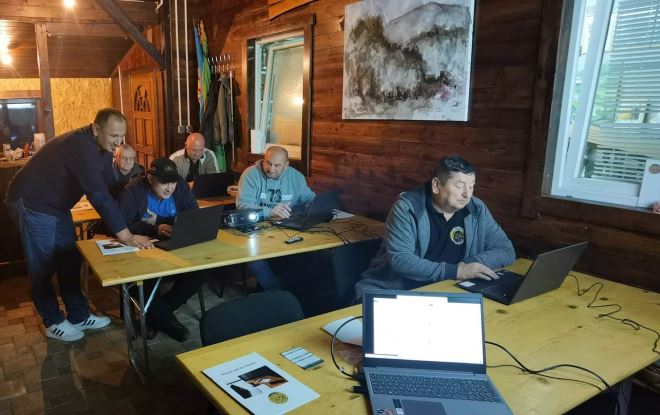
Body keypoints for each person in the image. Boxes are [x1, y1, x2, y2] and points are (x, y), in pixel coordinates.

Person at [4, 108, 154, 342]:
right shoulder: (81, 146)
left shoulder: (102, 148)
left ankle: (79, 315)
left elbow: (110, 188)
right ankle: (53, 322)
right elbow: (98, 195)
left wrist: (133, 210)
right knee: (42, 266)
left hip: (57, 206)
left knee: (69, 260)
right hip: (32, 202)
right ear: (96, 129)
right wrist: (125, 235)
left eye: (122, 136)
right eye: (114, 136)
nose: (119, 142)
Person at [355, 155, 516, 300]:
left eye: (471, 186)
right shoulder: (407, 208)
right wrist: (457, 272)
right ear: (436, 185)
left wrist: (468, 264)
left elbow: (506, 250)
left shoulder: (476, 209)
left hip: (447, 291)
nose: (467, 194)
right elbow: (401, 260)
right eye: (460, 186)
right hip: (394, 292)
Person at [118, 157, 206, 341]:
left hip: (174, 244)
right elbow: (121, 224)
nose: (170, 188)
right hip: (143, 248)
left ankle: (156, 317)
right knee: (145, 277)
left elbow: (194, 215)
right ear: (150, 178)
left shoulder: (181, 187)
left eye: (173, 182)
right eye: (164, 182)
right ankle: (166, 321)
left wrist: (170, 225)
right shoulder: (133, 190)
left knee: (202, 270)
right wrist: (154, 228)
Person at [236, 146, 315, 290]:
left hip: (285, 230)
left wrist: (318, 206)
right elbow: (242, 205)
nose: (271, 169)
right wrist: (270, 211)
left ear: (286, 165)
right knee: (255, 260)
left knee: (307, 255)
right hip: (255, 231)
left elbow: (310, 199)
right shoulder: (250, 174)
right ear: (263, 160)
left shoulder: (296, 177)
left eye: (277, 165)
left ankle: (288, 292)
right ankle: (277, 294)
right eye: (268, 163)